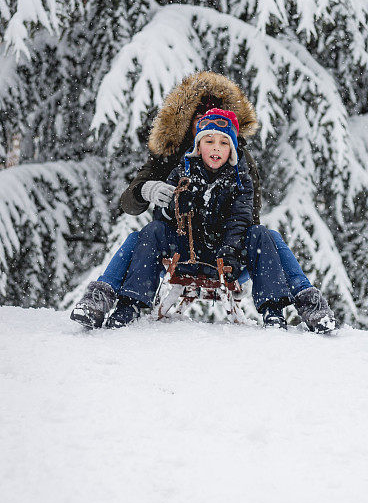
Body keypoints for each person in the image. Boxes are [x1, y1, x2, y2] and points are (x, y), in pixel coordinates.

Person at [70, 71, 335, 330]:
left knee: (269, 237)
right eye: (199, 118)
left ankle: (306, 300)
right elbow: (129, 203)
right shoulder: (172, 157)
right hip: (180, 246)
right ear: (187, 121)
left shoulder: (237, 161)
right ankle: (105, 298)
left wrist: (228, 244)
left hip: (227, 248)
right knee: (140, 237)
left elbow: (247, 216)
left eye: (221, 133)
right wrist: (149, 192)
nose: (214, 142)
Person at [104, 108, 292, 328]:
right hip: (185, 254)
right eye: (209, 141)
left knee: (261, 234)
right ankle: (130, 304)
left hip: (225, 256)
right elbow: (164, 219)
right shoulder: (181, 172)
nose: (215, 148)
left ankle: (274, 310)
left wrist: (230, 249)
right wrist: (171, 206)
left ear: (232, 149)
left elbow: (241, 218)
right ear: (197, 145)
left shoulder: (241, 179)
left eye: (223, 143)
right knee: (152, 230)